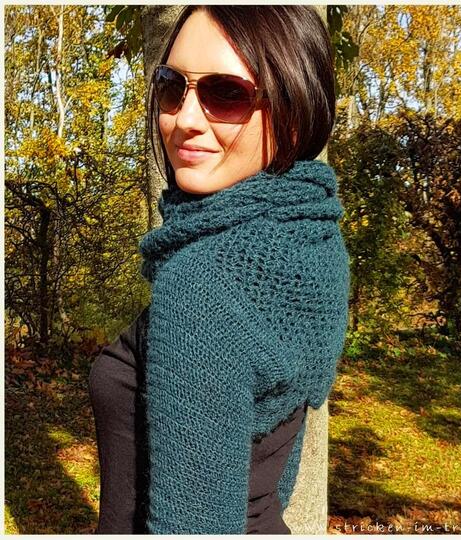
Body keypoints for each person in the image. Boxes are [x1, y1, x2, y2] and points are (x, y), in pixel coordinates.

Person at [88, 5, 350, 535]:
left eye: (225, 93)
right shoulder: (313, 238)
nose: (184, 119)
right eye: (172, 87)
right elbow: (275, 458)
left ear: (294, 108)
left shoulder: (203, 283)